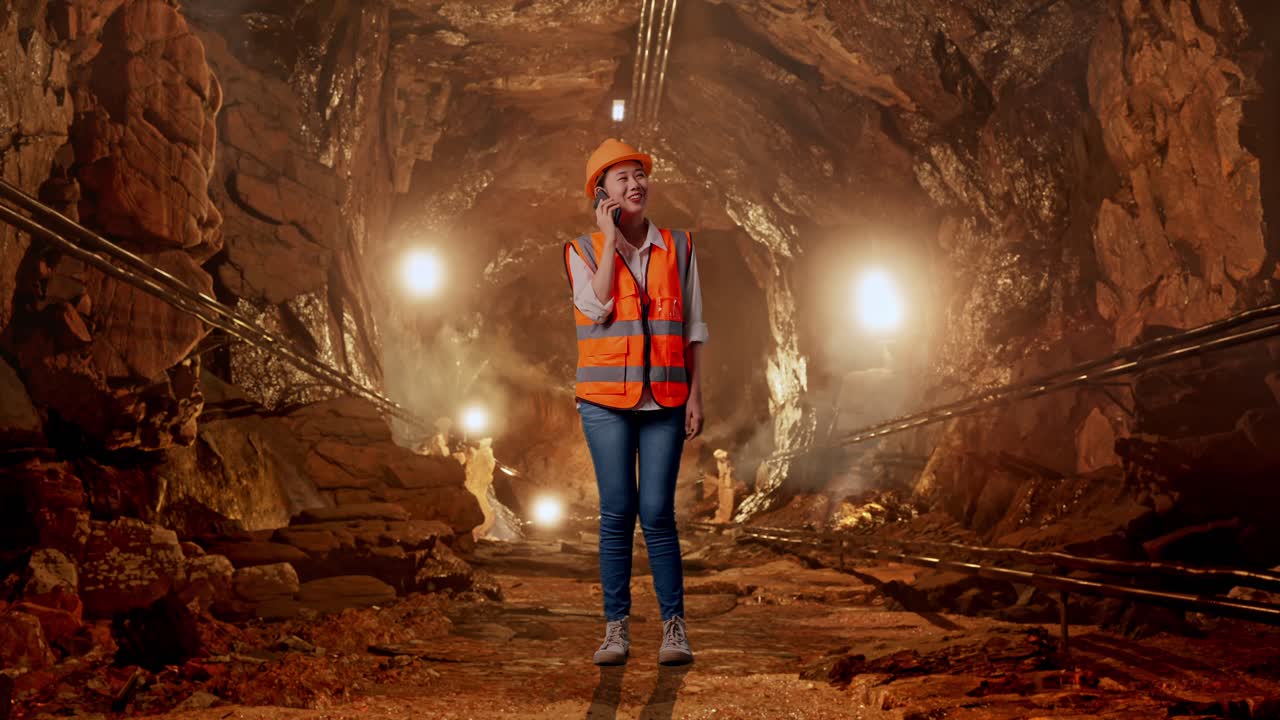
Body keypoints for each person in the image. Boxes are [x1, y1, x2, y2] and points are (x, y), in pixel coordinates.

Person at [563, 138, 708, 666]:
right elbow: (597, 307)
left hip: (665, 399)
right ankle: (616, 630)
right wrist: (607, 242)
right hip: (604, 402)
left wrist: (695, 394)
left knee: (658, 514)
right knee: (617, 512)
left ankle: (674, 628)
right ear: (602, 193)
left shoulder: (681, 247)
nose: (635, 185)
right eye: (622, 178)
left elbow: (692, 326)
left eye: (639, 175)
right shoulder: (580, 251)